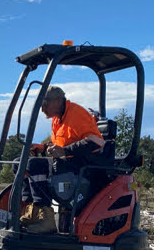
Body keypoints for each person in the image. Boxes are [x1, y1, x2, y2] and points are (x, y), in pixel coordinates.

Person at [20, 85, 105, 233]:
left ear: (58, 101)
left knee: (34, 165)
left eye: (45, 104)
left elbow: (97, 142)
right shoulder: (57, 119)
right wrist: (43, 147)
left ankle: (46, 218)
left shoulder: (77, 114)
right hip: (66, 161)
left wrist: (64, 151)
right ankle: (33, 211)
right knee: (19, 164)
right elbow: (60, 144)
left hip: (81, 165)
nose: (42, 109)